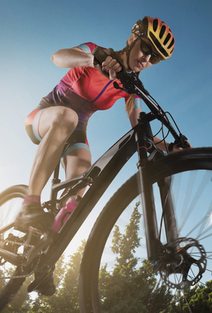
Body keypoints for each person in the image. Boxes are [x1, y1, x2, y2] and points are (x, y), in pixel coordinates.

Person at [16, 16, 178, 295]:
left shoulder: (130, 86)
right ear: (132, 39)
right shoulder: (94, 50)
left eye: (155, 58)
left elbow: (138, 124)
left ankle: (45, 262)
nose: (147, 58)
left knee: (82, 188)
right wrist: (94, 59)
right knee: (66, 116)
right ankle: (29, 204)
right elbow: (59, 57)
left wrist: (170, 146)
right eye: (146, 48)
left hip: (76, 130)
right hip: (47, 115)